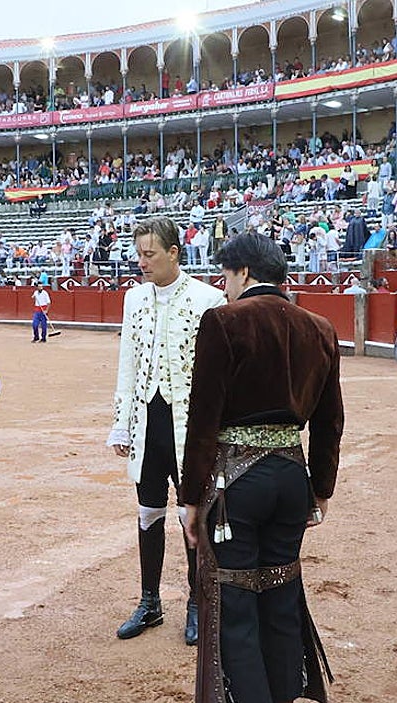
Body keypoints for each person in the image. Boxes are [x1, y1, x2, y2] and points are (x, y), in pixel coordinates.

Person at [180, 233, 343, 703]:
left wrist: (191, 498)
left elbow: (203, 418)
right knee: (281, 608)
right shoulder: (319, 329)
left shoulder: (224, 323)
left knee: (237, 617)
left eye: (225, 274)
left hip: (236, 484)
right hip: (289, 481)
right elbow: (329, 422)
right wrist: (318, 490)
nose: (222, 284)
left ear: (242, 271)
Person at [107, 216, 225, 645]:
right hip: (147, 420)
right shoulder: (134, 299)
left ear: (174, 253)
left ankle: (198, 602)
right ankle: (150, 601)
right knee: (148, 510)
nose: (141, 262)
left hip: (189, 426)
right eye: (138, 253)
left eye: (149, 254)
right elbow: (128, 363)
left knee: (191, 512)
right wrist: (121, 425)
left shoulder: (208, 299)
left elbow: (216, 374)